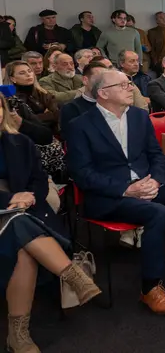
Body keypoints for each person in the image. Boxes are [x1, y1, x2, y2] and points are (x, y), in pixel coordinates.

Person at [66, 70, 165, 315]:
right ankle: (150, 288)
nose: (131, 87)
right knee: (157, 213)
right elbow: (82, 173)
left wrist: (156, 181)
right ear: (103, 93)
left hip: (147, 184)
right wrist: (126, 189)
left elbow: (156, 156)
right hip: (108, 196)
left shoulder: (139, 116)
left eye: (130, 83)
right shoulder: (80, 126)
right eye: (124, 84)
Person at [0, 95, 102, 353]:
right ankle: (71, 275)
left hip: (23, 212)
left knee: (21, 242)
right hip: (11, 209)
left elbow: (37, 179)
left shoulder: (20, 142)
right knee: (18, 227)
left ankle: (17, 334)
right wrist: (10, 198)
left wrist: (26, 198)